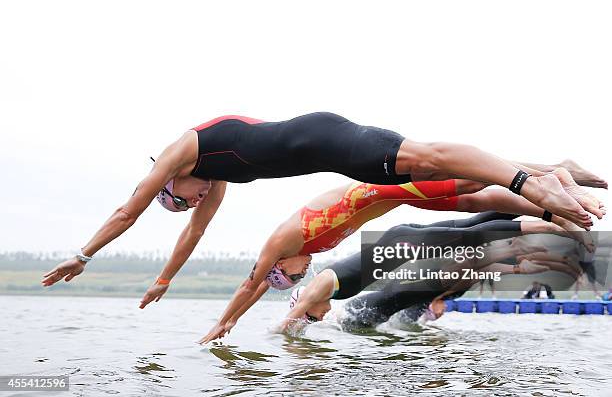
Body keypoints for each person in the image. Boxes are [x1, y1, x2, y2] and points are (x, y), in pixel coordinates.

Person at [42, 112, 605, 289]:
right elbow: (195, 236)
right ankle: (550, 172)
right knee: (442, 175)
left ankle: (532, 183)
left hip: (323, 135)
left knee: (434, 160)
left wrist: (84, 254)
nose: (191, 205)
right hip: (339, 160)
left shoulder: (183, 151)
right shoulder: (216, 184)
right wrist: (164, 279)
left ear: (169, 182)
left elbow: (126, 210)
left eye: (180, 202)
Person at [197, 176, 593, 343]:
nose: (316, 317)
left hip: (399, 244)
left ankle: (554, 220)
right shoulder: (329, 295)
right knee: (473, 225)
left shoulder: (318, 289)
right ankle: (544, 207)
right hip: (399, 241)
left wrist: (279, 326)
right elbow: (272, 285)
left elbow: (274, 290)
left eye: (312, 315)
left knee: (473, 232)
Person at [279, 216, 557, 334]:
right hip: (395, 296)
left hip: (398, 278)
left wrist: (278, 333)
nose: (323, 315)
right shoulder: (334, 310)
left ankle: (535, 223)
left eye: (315, 315)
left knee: (468, 238)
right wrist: (518, 268)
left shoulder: (325, 295)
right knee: (467, 241)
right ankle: (531, 222)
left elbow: (297, 310)